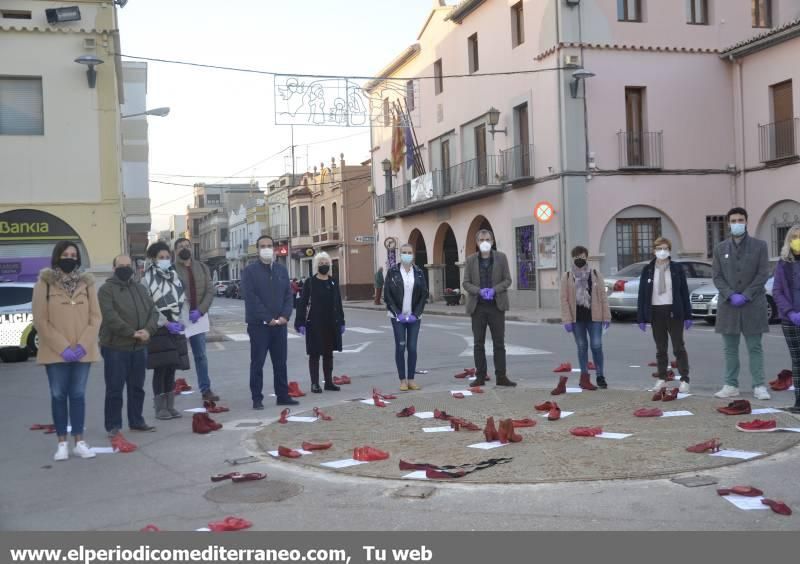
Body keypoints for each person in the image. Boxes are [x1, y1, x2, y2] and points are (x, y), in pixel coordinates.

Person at [32, 241, 101, 461]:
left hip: (83, 351)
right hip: (55, 352)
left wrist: (83, 344)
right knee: (58, 395)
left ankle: (79, 441)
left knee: (78, 395)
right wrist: (63, 347)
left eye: (73, 255)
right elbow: (40, 321)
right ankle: (61, 443)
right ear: (57, 257)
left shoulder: (87, 283)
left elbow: (96, 317)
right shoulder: (45, 283)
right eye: (65, 254)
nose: (70, 258)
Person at [712, 207, 771, 400]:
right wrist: (730, 295)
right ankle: (730, 384)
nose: (737, 223)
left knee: (754, 347)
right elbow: (717, 277)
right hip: (728, 305)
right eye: (734, 220)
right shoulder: (720, 248)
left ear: (746, 222)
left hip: (753, 304)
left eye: (741, 220)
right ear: (728, 223)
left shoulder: (759, 246)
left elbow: (763, 274)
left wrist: (746, 294)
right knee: (730, 348)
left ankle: (759, 385)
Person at [98, 255, 160, 437]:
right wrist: (131, 333)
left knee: (137, 388)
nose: (125, 268)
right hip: (116, 347)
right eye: (121, 265)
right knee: (115, 389)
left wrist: (148, 330)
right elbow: (110, 317)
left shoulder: (140, 288)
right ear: (114, 268)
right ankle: (113, 426)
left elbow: (153, 312)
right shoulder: (106, 290)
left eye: (127, 265)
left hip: (139, 347)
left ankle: (136, 421)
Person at [242, 235, 295, 409]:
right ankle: (257, 398)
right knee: (257, 363)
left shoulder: (281, 270)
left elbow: (288, 295)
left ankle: (283, 395)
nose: (266, 249)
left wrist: (285, 316)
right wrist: (267, 318)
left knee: (281, 363)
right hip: (259, 326)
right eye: (262, 246)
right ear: (257, 250)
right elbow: (251, 298)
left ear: (274, 249)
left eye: (269, 246)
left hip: (279, 325)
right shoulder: (250, 271)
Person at [636, 238, 692, 393]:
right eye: (659, 248)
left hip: (674, 311)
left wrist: (688, 315)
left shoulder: (676, 268)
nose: (662, 251)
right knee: (661, 348)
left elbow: (684, 292)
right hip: (655, 311)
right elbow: (642, 294)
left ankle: (684, 378)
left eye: (665, 248)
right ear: (654, 250)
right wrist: (641, 316)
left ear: (669, 250)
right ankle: (662, 378)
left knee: (678, 347)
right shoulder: (648, 269)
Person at [142, 241, 190, 420]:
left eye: (167, 257)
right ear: (154, 259)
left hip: (175, 328)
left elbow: (181, 300)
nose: (164, 260)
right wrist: (165, 322)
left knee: (172, 368)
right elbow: (149, 305)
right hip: (159, 329)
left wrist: (181, 321)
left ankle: (170, 406)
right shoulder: (147, 279)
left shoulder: (174, 276)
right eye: (161, 258)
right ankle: (160, 408)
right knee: (160, 369)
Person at [463, 229, 515, 387]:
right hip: (477, 307)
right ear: (477, 242)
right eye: (481, 239)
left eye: (487, 239)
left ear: (492, 241)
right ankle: (480, 376)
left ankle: (501, 376)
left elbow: (507, 280)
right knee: (478, 343)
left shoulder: (501, 258)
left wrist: (494, 290)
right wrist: (479, 291)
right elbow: (465, 283)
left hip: (496, 306)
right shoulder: (470, 260)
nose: (484, 242)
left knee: (499, 343)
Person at [173, 238, 220, 402]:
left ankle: (206, 389)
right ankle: (168, 390)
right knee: (172, 356)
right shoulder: (171, 270)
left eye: (187, 246)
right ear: (175, 251)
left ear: (191, 249)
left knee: (201, 356)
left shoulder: (201, 267)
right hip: (179, 318)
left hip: (198, 317)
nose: (184, 249)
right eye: (180, 247)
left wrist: (200, 311)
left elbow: (210, 291)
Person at [560, 246, 611, 390]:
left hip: (594, 317)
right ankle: (584, 377)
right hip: (577, 319)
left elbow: (603, 296)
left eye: (582, 257)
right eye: (576, 257)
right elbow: (564, 299)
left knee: (596, 345)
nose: (579, 260)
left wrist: (607, 316)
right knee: (582, 347)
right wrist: (567, 320)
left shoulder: (595, 274)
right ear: (572, 259)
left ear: (587, 257)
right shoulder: (568, 276)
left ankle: (600, 375)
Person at [295, 252, 345, 393]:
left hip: (330, 323)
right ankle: (314, 384)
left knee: (328, 354)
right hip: (314, 323)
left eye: (326, 263)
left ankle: (328, 382)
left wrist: (341, 321)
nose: (324, 265)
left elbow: (338, 303)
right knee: (315, 354)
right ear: (317, 266)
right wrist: (300, 323)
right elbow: (302, 303)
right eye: (321, 263)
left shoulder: (333, 281)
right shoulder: (310, 282)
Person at [384, 243, 428, 391]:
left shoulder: (419, 272)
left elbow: (423, 295)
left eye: (409, 252)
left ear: (413, 254)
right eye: (404, 252)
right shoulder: (393, 272)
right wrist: (398, 313)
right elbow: (388, 295)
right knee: (401, 347)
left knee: (413, 348)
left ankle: (411, 379)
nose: (406, 255)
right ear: (400, 255)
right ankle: (402, 380)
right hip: (398, 317)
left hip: (415, 317)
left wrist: (416, 314)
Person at [770, 224, 800, 412]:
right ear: (789, 241)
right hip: (791, 319)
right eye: (794, 237)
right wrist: (790, 312)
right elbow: (777, 291)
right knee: (797, 360)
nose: (797, 240)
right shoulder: (783, 264)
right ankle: (798, 401)